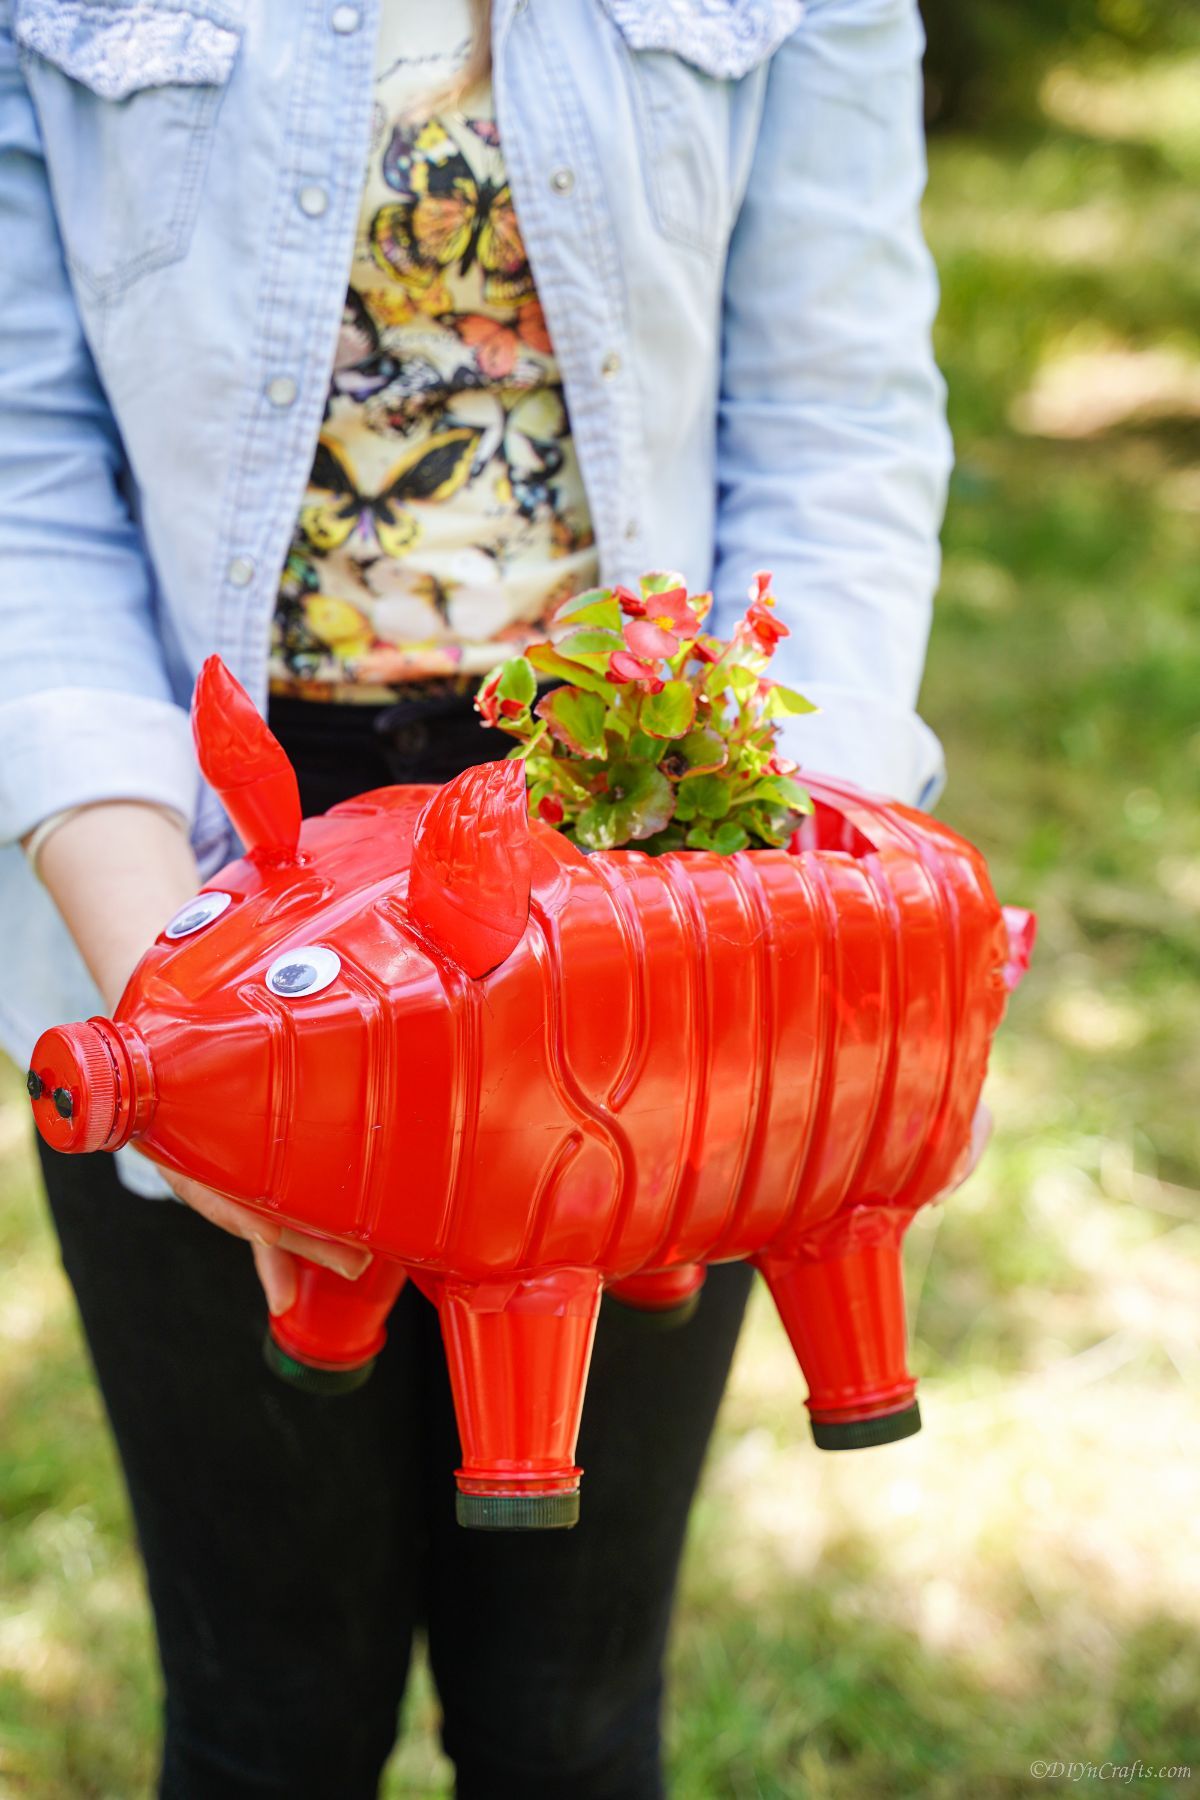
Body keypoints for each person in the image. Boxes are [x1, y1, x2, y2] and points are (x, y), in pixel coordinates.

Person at [0, 0, 954, 1794]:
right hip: (206, 869)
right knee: (267, 1707)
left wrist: (776, 906)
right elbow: (16, 475)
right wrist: (182, 1019)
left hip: (649, 863)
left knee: (572, 1711)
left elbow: (836, 418)